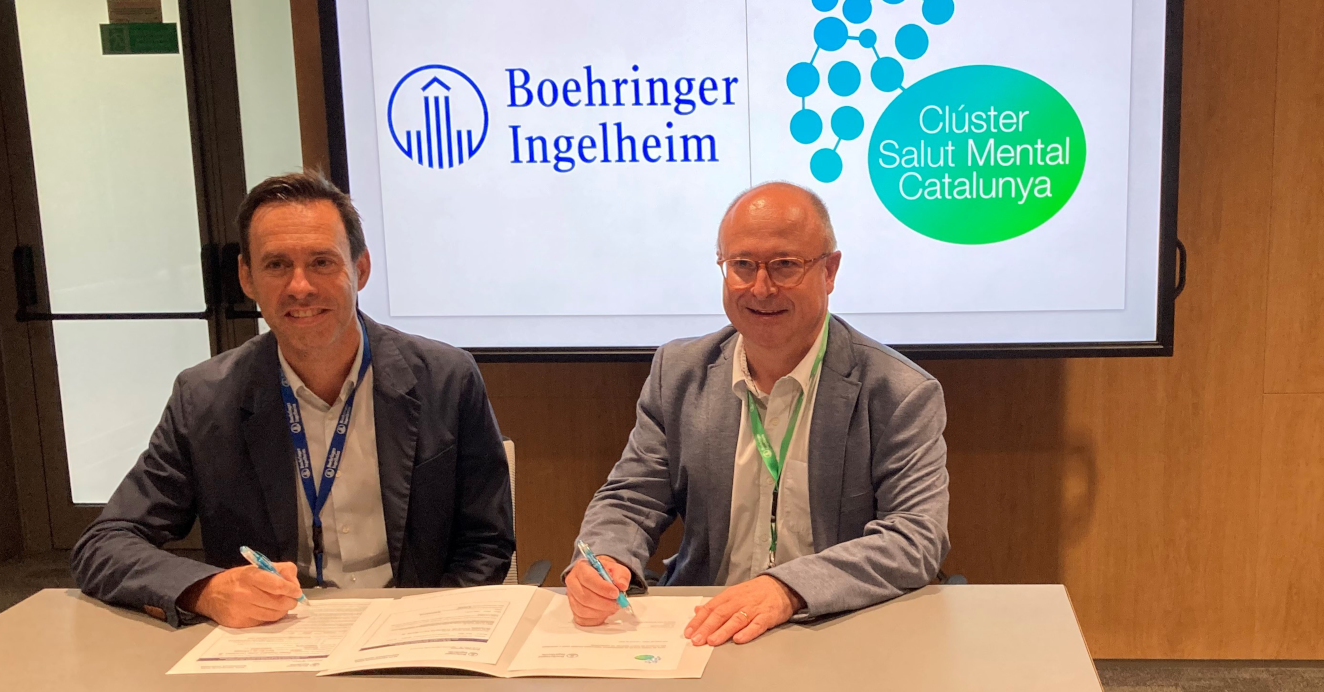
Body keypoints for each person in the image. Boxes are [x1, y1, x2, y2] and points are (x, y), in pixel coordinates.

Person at [71, 172, 514, 628]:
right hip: (275, 634)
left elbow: (487, 542)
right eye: (277, 265)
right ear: (247, 277)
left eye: (322, 262)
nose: (300, 287)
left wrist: (434, 623)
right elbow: (105, 543)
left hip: (410, 629)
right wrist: (206, 590)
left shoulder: (446, 379)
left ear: (360, 270)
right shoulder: (204, 398)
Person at [566, 182, 950, 646]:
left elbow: (913, 539)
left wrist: (787, 589)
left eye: (785, 265)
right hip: (703, 627)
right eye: (742, 266)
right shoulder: (679, 372)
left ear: (829, 271)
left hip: (834, 626)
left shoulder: (899, 392)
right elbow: (632, 497)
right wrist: (605, 558)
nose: (761, 288)